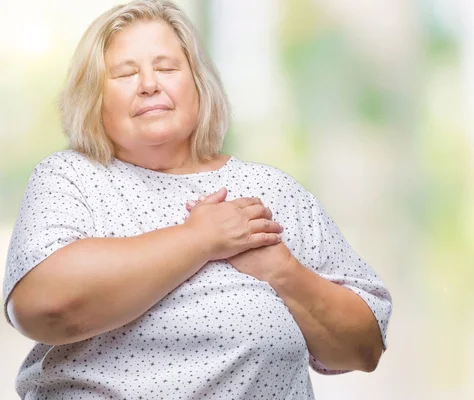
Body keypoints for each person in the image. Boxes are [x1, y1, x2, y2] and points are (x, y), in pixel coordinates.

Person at [2, 0, 392, 398]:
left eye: (167, 68)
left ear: (198, 83)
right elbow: (40, 306)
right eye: (125, 73)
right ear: (94, 96)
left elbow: (364, 348)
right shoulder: (69, 179)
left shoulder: (273, 191)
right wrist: (201, 239)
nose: (149, 84)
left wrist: (282, 271)